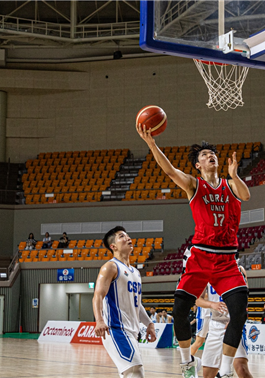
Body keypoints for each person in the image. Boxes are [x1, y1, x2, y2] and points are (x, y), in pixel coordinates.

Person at [137, 124, 250, 378]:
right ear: (198, 165)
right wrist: (152, 144)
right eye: (205, 155)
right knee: (179, 308)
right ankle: (186, 361)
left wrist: (234, 174)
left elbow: (246, 195)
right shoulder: (193, 185)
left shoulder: (230, 185)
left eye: (213, 154)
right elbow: (168, 170)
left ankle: (225, 370)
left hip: (226, 259)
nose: (211, 156)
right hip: (201, 255)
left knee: (240, 309)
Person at [93, 226, 156, 378]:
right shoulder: (110, 267)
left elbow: (136, 304)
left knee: (130, 373)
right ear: (113, 246)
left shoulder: (136, 272)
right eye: (122, 236)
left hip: (132, 332)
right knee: (135, 372)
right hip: (116, 329)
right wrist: (99, 320)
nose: (128, 238)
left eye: (127, 236)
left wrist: (149, 324)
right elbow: (98, 295)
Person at [196, 266, 252, 378]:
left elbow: (244, 298)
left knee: (241, 369)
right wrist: (212, 304)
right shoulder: (205, 271)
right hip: (216, 323)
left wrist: (235, 320)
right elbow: (197, 300)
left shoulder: (239, 269)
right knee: (207, 374)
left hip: (233, 323)